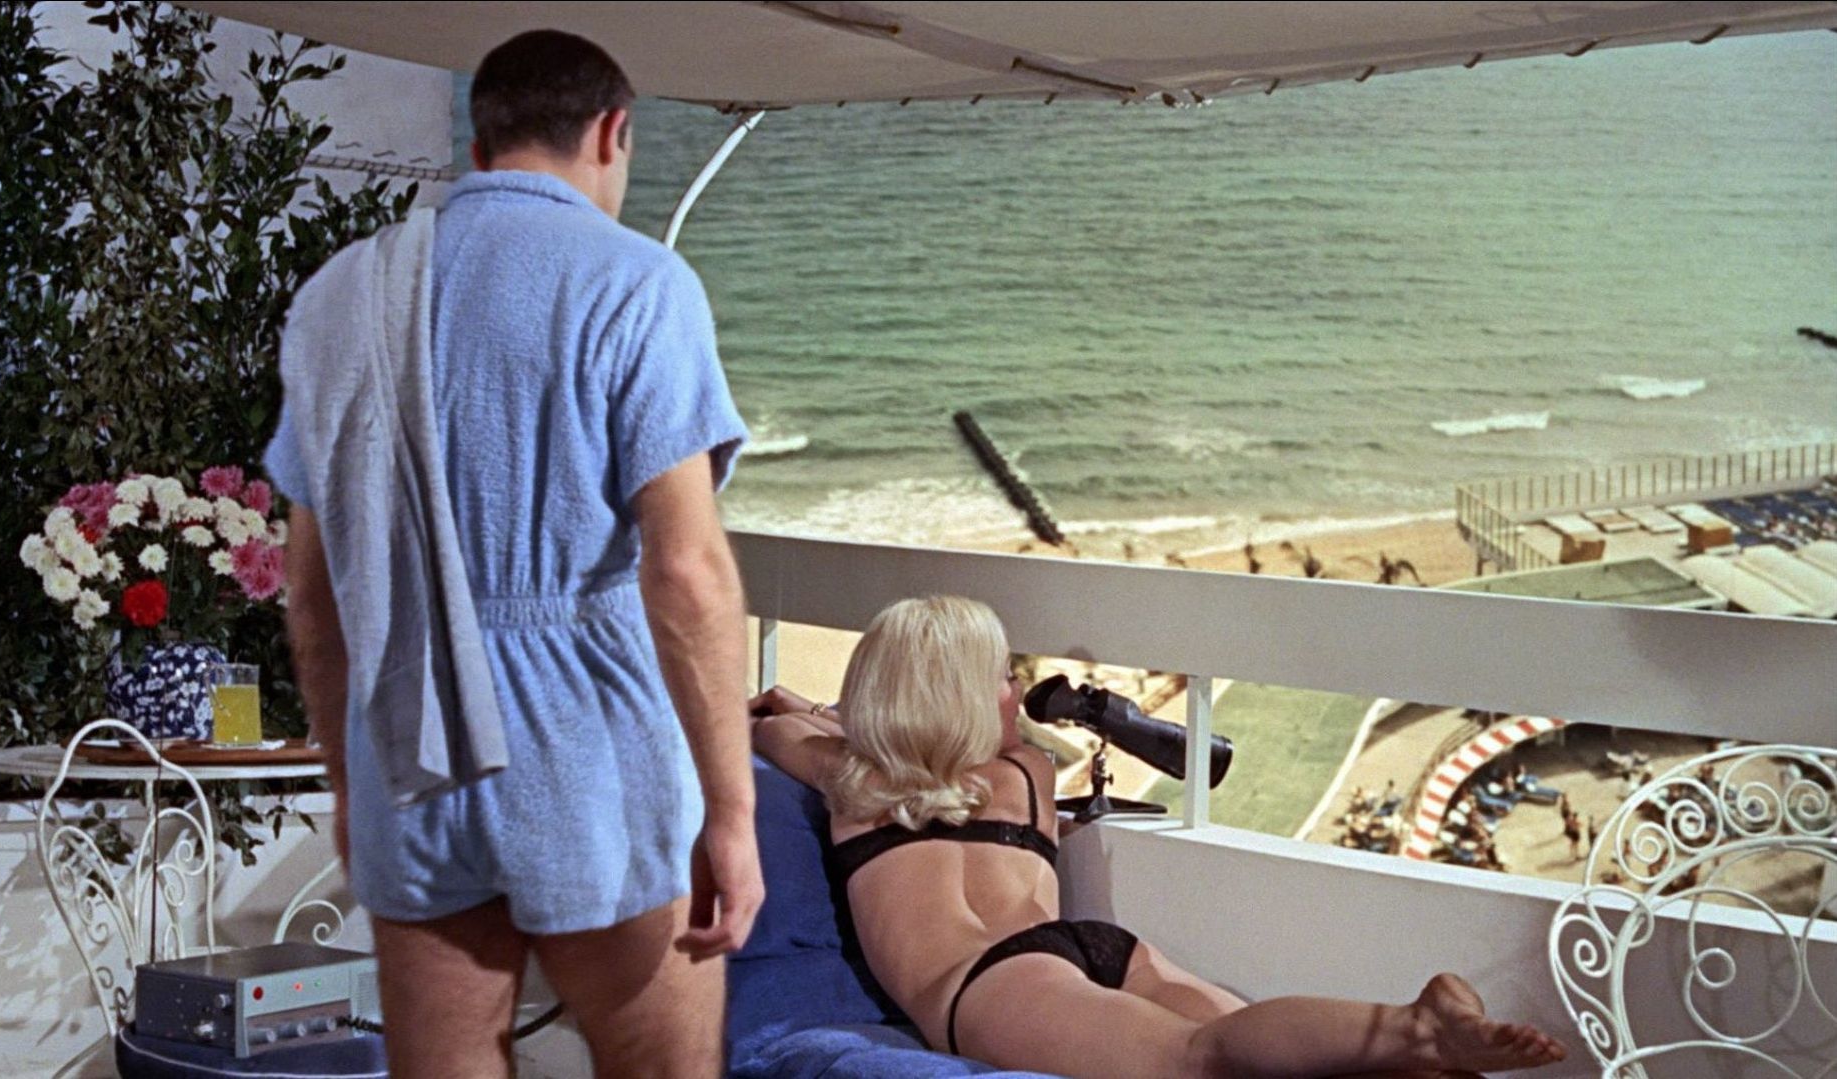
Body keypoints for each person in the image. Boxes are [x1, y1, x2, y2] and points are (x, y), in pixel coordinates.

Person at [271, 30, 762, 1078]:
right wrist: (733, 810)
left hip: (411, 749)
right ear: (612, 132)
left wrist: (351, 785)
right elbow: (685, 574)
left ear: (480, 141)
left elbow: (312, 595)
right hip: (591, 746)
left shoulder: (342, 295)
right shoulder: (636, 284)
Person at [750, 596, 1567, 1079]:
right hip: (1102, 947)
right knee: (1236, 1043)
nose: (1017, 688)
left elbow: (774, 725)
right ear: (962, 700)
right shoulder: (1027, 770)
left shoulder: (856, 783)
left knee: (1199, 1061)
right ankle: (1404, 1045)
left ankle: (1413, 1027)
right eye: (1002, 676)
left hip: (990, 982)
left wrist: (815, 713)